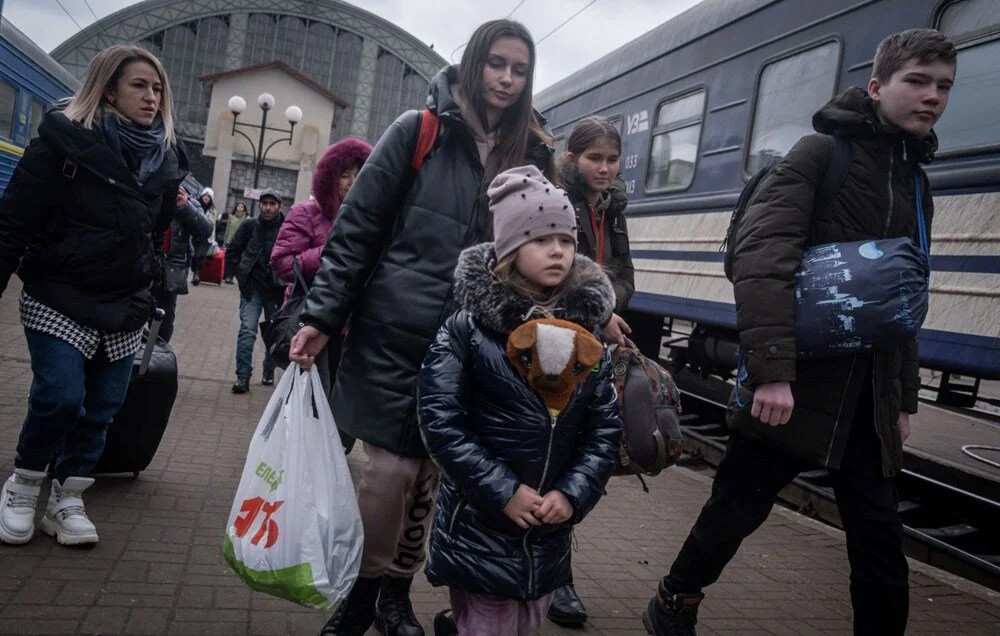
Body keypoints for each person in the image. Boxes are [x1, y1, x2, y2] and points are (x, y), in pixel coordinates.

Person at [642, 29, 956, 636]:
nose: (932, 96)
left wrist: (904, 399)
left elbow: (902, 299)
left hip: (869, 396)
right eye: (916, 81)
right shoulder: (820, 154)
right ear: (876, 86)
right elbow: (763, 258)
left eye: (942, 85)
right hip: (800, 381)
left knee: (880, 543)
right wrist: (772, 373)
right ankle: (675, 598)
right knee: (736, 509)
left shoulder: (918, 183)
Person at [289, 19, 555, 636]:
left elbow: (547, 251)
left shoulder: (535, 153)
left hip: (473, 348)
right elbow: (357, 231)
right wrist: (323, 317)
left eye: (519, 69)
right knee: (386, 479)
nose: (507, 79)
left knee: (433, 483)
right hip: (392, 335)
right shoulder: (419, 131)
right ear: (473, 63)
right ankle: (358, 599)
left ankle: (394, 596)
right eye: (497, 64)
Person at [418, 165, 622, 636]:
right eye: (540, 239)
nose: (557, 250)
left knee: (526, 624)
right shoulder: (468, 331)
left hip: (548, 535)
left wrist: (572, 494)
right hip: (480, 525)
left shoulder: (587, 334)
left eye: (567, 240)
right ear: (509, 248)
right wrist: (503, 491)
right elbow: (441, 421)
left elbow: (603, 430)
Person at [0, 44, 187, 546]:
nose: (152, 97)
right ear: (107, 89)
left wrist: (151, 291)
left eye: (158, 88)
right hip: (59, 293)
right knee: (61, 398)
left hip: (124, 305)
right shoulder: (62, 143)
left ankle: (67, 498)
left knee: (103, 408)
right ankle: (24, 484)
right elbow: (14, 221)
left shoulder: (164, 161)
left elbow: (156, 233)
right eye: (139, 86)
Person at [543, 114, 636, 626]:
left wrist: (603, 301)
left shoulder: (615, 208)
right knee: (550, 457)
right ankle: (557, 580)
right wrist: (599, 306)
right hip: (554, 341)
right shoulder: (556, 197)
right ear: (573, 159)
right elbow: (550, 268)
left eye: (612, 159)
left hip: (592, 343)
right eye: (595, 158)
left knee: (579, 461)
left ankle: (552, 571)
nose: (604, 168)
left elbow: (625, 273)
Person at [270, 137, 371, 450]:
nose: (353, 182)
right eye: (345, 174)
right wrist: (330, 252)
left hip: (357, 330)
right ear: (330, 178)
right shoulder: (306, 213)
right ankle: (299, 461)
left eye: (360, 173)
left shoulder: (373, 220)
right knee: (308, 405)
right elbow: (283, 263)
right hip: (314, 322)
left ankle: (331, 463)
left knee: (345, 413)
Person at [226, 188, 286, 393]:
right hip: (252, 289)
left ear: (280, 206)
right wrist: (241, 275)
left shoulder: (287, 227)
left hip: (277, 290)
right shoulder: (250, 226)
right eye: (265, 203)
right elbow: (232, 250)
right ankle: (243, 376)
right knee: (247, 331)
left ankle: (269, 371)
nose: (268, 207)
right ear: (259, 205)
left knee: (274, 334)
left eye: (272, 203)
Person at [151, 185, 214, 342]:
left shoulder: (188, 200)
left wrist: (185, 206)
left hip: (168, 273)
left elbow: (206, 230)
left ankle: (154, 362)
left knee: (161, 331)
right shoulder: (148, 190)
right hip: (141, 267)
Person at [191, 186, 216, 285]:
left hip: (206, 237)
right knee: (194, 255)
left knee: (201, 256)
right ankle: (194, 272)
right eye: (205, 195)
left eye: (208, 196)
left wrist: (213, 239)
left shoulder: (212, 210)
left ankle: (197, 274)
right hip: (195, 234)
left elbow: (213, 225)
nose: (206, 198)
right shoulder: (195, 206)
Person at [222, 201, 249, 284]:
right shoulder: (231, 217)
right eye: (238, 206)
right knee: (228, 260)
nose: (240, 208)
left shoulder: (246, 218)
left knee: (237, 260)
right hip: (230, 241)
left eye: (242, 207)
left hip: (240, 243)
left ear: (244, 209)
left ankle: (232, 276)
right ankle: (228, 277)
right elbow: (227, 229)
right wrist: (225, 241)